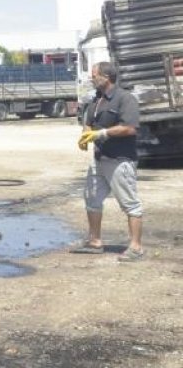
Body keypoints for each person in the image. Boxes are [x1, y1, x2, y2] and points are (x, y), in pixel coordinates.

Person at [73, 61, 144, 261]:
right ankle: (95, 241)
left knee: (130, 204)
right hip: (99, 160)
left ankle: (136, 247)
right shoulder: (96, 100)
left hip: (120, 160)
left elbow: (130, 128)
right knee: (92, 199)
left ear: (106, 77)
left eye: (94, 75)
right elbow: (88, 123)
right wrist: (85, 136)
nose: (91, 78)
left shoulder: (125, 99)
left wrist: (100, 134)